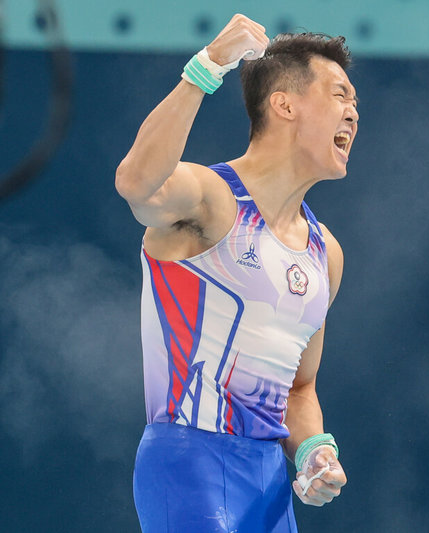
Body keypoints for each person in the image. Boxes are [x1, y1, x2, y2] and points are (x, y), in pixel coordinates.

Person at [115, 13, 356, 532]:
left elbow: (299, 389)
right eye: (340, 95)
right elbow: (137, 182)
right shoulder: (210, 202)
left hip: (268, 485)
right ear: (285, 103)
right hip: (188, 461)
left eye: (355, 102)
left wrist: (313, 450)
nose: (353, 113)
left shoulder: (324, 254)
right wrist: (206, 67)